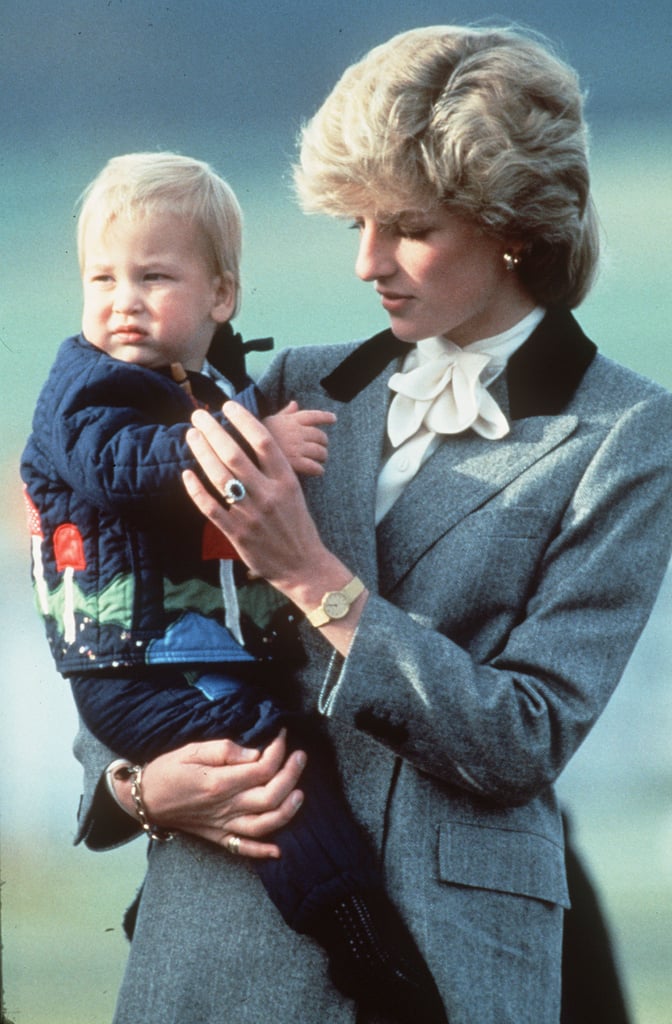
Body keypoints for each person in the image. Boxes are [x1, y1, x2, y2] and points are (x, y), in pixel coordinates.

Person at [69, 25, 672, 1024]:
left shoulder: (631, 432)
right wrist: (137, 784)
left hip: (447, 962)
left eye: (406, 226)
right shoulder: (284, 385)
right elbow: (127, 611)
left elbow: (526, 735)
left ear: (512, 227)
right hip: (212, 942)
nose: (367, 262)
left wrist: (313, 573)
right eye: (356, 221)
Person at [21, 151, 449, 1023]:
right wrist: (251, 440)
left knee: (285, 749)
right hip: (136, 665)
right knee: (271, 766)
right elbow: (120, 466)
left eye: (153, 276)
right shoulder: (88, 386)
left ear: (221, 296)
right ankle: (353, 929)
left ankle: (345, 909)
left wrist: (237, 414)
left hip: (185, 650)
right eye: (101, 278)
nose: (122, 300)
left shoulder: (205, 383)